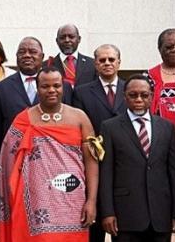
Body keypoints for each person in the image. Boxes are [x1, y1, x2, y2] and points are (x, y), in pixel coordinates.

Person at [0, 67, 98, 242]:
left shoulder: (80, 118)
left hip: (73, 199)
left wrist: (91, 201)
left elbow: (91, 162)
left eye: (56, 85)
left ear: (63, 87)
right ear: (37, 88)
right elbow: (7, 164)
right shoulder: (23, 120)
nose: (52, 90)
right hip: (36, 203)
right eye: (45, 86)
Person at [99, 74, 175, 242]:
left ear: (152, 95)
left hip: (161, 215)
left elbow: (173, 172)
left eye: (144, 95)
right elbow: (106, 173)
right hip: (126, 215)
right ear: (124, 97)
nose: (139, 99)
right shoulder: (109, 127)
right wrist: (108, 212)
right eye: (133, 95)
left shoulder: (167, 127)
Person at [73, 45, 126, 242]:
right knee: (92, 233)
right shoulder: (81, 92)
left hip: (123, 170)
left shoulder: (130, 89)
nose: (107, 63)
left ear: (119, 62)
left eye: (111, 59)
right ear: (95, 64)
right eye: (102, 60)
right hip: (92, 166)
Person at [0, 37, 73, 150]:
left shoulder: (63, 86)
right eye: (22, 52)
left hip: (53, 154)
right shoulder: (0, 89)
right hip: (15, 155)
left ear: (42, 56)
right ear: (16, 56)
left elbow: (70, 123)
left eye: (33, 52)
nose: (27, 55)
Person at [148, 28, 175, 124]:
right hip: (162, 135)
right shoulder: (148, 77)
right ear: (160, 49)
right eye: (169, 47)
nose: (174, 49)